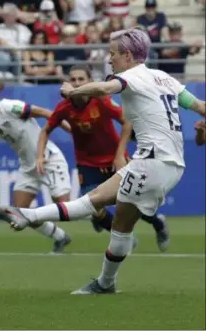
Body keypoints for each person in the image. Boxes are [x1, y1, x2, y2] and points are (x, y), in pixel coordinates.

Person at [0, 27, 206, 294]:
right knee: (119, 225)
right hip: (162, 164)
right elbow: (202, 107)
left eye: (112, 54)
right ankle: (105, 283)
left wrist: (72, 90)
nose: (109, 59)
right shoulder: (164, 78)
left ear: (127, 54)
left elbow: (104, 87)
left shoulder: (131, 76)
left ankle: (26, 215)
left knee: (92, 203)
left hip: (152, 164)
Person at [36, 64, 170, 250]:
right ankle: (126, 239)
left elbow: (126, 122)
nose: (76, 83)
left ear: (89, 82)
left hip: (115, 160)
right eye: (73, 79)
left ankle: (158, 223)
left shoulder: (102, 101)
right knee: (93, 207)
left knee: (132, 202)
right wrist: (40, 157)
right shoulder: (64, 107)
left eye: (81, 79)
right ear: (67, 83)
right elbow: (45, 131)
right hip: (87, 163)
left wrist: (119, 155)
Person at [0, 82, 72, 253]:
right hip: (28, 167)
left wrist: (72, 130)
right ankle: (60, 237)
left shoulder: (10, 107)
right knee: (20, 213)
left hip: (49, 159)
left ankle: (101, 217)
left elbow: (47, 113)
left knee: (67, 208)